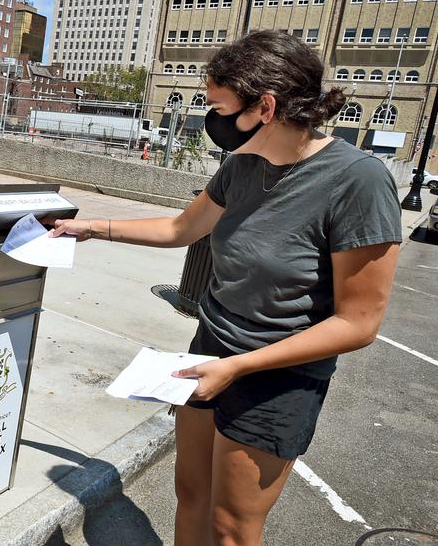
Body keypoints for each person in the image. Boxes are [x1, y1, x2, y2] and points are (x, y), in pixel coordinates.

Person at [50, 30, 402, 546]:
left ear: (265, 106)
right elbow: (180, 230)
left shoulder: (358, 181)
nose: (208, 119)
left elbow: (360, 322)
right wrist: (92, 228)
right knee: (190, 494)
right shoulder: (241, 165)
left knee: (232, 527)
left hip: (278, 375)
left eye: (217, 106)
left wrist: (238, 367)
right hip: (209, 351)